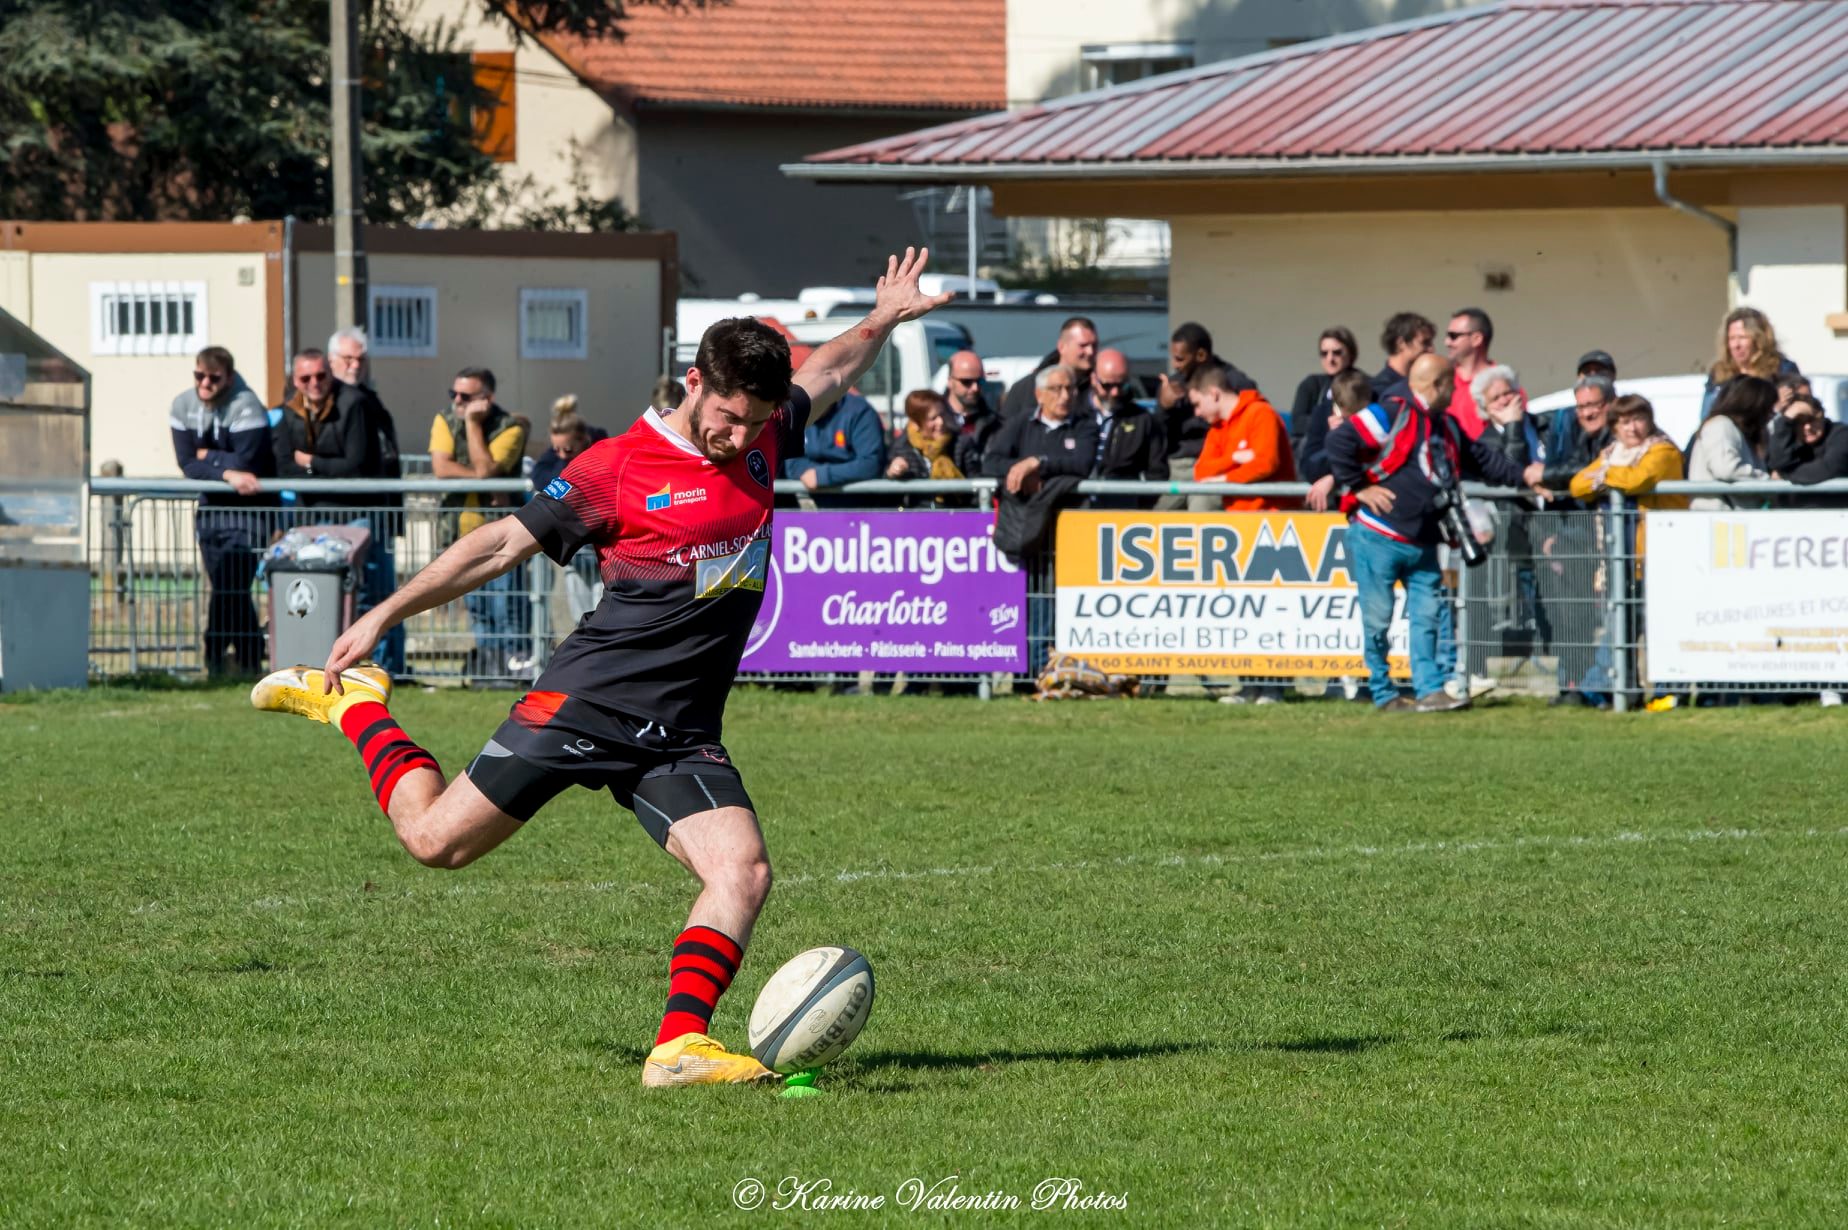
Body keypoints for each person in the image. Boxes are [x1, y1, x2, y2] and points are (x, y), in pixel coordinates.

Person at [251, 248, 952, 1088]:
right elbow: (503, 544)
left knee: (744, 870)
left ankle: (677, 1048)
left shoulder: (764, 433)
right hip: (586, 703)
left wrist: (881, 317)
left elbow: (830, 368)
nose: (739, 436)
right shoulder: (618, 467)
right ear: (694, 383)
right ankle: (359, 708)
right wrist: (384, 612)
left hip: (682, 729)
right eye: (727, 416)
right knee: (435, 843)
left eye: (755, 420)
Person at [1325, 353, 1534, 712]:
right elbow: (1339, 442)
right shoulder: (1390, 412)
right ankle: (1384, 692)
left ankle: (1430, 690)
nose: (1456, 392)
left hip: (1424, 539)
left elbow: (1484, 461)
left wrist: (1528, 476)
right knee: (1377, 620)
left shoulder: (1446, 425)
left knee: (1429, 617)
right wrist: (1359, 487)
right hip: (1378, 536)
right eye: (1451, 385)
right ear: (1435, 384)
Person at [272, 348, 405, 673]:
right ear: (295, 380)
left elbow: (355, 464)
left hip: (359, 514)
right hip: (314, 517)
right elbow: (285, 465)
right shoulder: (288, 411)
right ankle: (331, 665)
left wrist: (311, 463)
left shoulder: (354, 403)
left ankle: (387, 667)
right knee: (323, 595)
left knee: (373, 593)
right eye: (306, 378)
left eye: (321, 376)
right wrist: (320, 470)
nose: (315, 383)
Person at [1568, 395, 1688, 708]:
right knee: (1620, 622)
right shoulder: (1612, 453)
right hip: (1624, 557)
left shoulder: (1663, 451)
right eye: (1623, 422)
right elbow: (1577, 485)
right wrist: (1605, 476)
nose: (1632, 428)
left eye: (1638, 419)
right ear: (1614, 427)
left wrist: (1605, 477)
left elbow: (1638, 479)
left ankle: (1668, 690)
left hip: (1659, 553)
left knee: (1659, 625)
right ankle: (1608, 688)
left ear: (1650, 420)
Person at [170, 345, 276, 675]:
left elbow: (248, 461)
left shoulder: (247, 405)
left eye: (213, 378)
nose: (205, 384)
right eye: (199, 376)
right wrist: (227, 473)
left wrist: (208, 457)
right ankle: (246, 655)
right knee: (225, 585)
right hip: (212, 510)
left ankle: (217, 653)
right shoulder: (183, 404)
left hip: (250, 511)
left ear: (228, 378)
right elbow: (187, 463)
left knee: (232, 583)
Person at [430, 368, 529, 680]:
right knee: (479, 609)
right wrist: (482, 478)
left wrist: (472, 424)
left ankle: (514, 671)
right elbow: (441, 467)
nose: (457, 401)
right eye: (454, 394)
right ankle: (489, 669)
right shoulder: (444, 419)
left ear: (487, 399)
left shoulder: (510, 427)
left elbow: (487, 470)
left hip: (502, 538)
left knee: (507, 607)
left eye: (466, 397)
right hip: (461, 535)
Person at [529, 399, 607, 640]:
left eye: (568, 450)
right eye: (557, 450)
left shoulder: (602, 450)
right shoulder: (556, 457)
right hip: (576, 552)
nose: (562, 455)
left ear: (583, 441)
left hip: (601, 548)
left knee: (603, 608)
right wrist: (566, 467)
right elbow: (540, 477)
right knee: (579, 611)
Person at [1188, 365, 1295, 512]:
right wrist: (1233, 458)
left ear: (1214, 394)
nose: (1197, 412)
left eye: (1197, 404)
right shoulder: (1217, 428)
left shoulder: (1261, 412)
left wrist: (1223, 479)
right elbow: (1201, 472)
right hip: (1238, 518)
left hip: (1273, 517)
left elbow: (1266, 463)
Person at [1087, 347, 1166, 509]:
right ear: (1093, 379)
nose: (1115, 392)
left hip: (1121, 509)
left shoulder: (1143, 420)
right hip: (1077, 510)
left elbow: (1157, 472)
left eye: (1122, 385)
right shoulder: (1076, 414)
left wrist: (1137, 504)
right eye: (1107, 385)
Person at [1687, 375, 1774, 510]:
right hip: (1719, 519)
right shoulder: (1721, 425)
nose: (1771, 413)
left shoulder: (1743, 433)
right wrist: (1766, 480)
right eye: (1767, 407)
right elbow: (1726, 468)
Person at [784, 387, 884, 496]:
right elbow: (792, 465)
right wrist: (814, 474)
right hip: (808, 502)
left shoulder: (859, 411)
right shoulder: (799, 412)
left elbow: (870, 464)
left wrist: (822, 475)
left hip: (856, 503)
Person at [1702, 307, 1799, 418]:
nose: (1736, 345)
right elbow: (1706, 416)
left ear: (1759, 339)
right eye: (1731, 338)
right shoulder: (1719, 373)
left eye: (1742, 337)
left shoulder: (1782, 369)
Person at [1001, 316, 1097, 421]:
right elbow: (1005, 430)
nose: (1090, 352)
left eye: (1094, 345)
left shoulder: (1102, 387)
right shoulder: (1027, 388)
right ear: (1062, 347)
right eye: (1083, 345)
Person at [1288, 327, 1358, 453]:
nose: (1330, 359)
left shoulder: (1363, 384)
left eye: (1336, 352)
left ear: (1351, 354)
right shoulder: (1312, 384)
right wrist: (1326, 423)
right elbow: (1297, 422)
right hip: (1316, 456)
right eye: (1324, 353)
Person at [885, 388, 964, 500]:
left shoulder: (959, 443)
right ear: (916, 422)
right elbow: (887, 494)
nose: (940, 422)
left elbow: (975, 482)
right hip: (917, 514)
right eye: (933, 418)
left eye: (942, 414)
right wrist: (892, 473)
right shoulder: (901, 448)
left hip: (956, 513)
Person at [1767, 395, 1848, 499]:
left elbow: (1827, 469)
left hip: (1835, 510)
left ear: (1822, 415)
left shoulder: (1841, 434)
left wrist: (1784, 475)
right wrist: (1785, 421)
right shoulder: (1787, 437)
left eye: (1812, 420)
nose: (1807, 427)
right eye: (1799, 422)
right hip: (1792, 511)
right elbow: (1777, 462)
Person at [1443, 308, 1502, 441]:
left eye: (1453, 336)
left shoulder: (1504, 385)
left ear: (1476, 339)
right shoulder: (1441, 380)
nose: (1447, 342)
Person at [943, 350, 1004, 481]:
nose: (975, 388)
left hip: (981, 497)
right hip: (940, 498)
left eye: (980, 381)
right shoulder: (930, 420)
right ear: (950, 381)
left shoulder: (996, 424)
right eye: (967, 382)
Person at [1372, 312, 1435, 400]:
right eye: (1425, 343)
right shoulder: (1378, 390)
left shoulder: (1427, 385)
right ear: (1401, 343)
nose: (1431, 349)